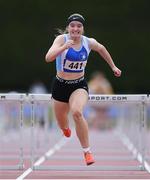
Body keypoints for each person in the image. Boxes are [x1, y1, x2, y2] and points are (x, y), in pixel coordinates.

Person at [45, 13, 121, 165]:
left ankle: (87, 152)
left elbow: (102, 48)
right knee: (62, 123)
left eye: (79, 26)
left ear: (82, 29)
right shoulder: (61, 39)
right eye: (73, 26)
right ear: (68, 28)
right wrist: (63, 48)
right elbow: (48, 58)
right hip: (60, 85)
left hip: (79, 85)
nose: (75, 28)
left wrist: (113, 66)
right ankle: (65, 128)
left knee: (77, 112)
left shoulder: (88, 42)